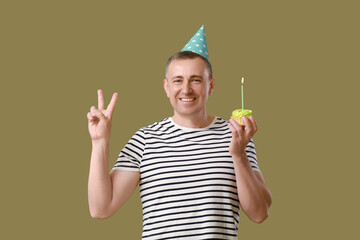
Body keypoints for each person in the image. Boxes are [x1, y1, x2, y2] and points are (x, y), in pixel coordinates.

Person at [87, 26, 272, 239]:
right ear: (166, 87)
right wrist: (100, 142)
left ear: (210, 86)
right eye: (177, 80)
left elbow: (260, 213)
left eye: (195, 80)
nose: (186, 90)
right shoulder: (145, 139)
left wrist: (239, 156)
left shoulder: (237, 136)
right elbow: (101, 209)